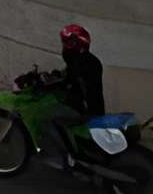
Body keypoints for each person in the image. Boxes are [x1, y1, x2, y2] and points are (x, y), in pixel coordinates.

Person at [42, 24, 107, 165]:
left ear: (78, 44)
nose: (65, 46)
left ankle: (69, 156)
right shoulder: (85, 59)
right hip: (83, 105)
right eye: (64, 42)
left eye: (68, 43)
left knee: (48, 116)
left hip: (86, 110)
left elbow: (68, 82)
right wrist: (55, 75)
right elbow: (69, 75)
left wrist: (45, 85)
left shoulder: (84, 62)